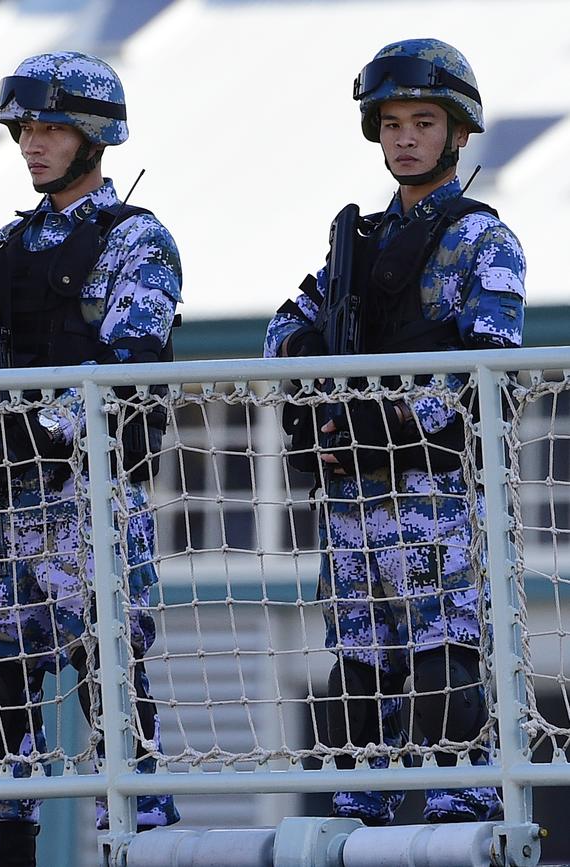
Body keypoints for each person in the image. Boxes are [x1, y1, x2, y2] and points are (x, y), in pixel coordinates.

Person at [0, 51, 181, 866]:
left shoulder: (136, 240)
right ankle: (5, 841)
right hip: (4, 503)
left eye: (52, 128)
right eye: (25, 128)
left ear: (94, 135)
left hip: (88, 495)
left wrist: (32, 432)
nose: (33, 144)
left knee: (109, 673)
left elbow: (128, 356)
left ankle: (141, 839)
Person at [265, 38, 525, 825]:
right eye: (390, 123)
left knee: (444, 652)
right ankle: (356, 807)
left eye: (422, 121)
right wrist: (331, 393)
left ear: (457, 133)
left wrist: (368, 407)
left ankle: (456, 808)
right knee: (357, 658)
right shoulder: (357, 247)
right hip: (350, 496)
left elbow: (484, 366)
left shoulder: (484, 240)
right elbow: (282, 334)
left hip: (433, 491)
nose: (404, 138)